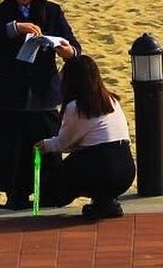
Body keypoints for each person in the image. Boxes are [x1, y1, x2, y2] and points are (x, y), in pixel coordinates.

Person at [0, 0, 80, 210]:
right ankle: (15, 196)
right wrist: (15, 28)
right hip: (6, 93)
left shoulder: (51, 11)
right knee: (9, 150)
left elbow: (74, 46)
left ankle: (47, 193)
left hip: (42, 93)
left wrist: (68, 52)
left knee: (45, 146)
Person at [37, 54, 135, 220]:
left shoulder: (76, 107)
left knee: (58, 182)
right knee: (90, 161)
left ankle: (98, 201)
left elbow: (63, 143)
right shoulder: (110, 100)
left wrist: (43, 145)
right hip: (126, 170)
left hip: (102, 170)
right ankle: (105, 202)